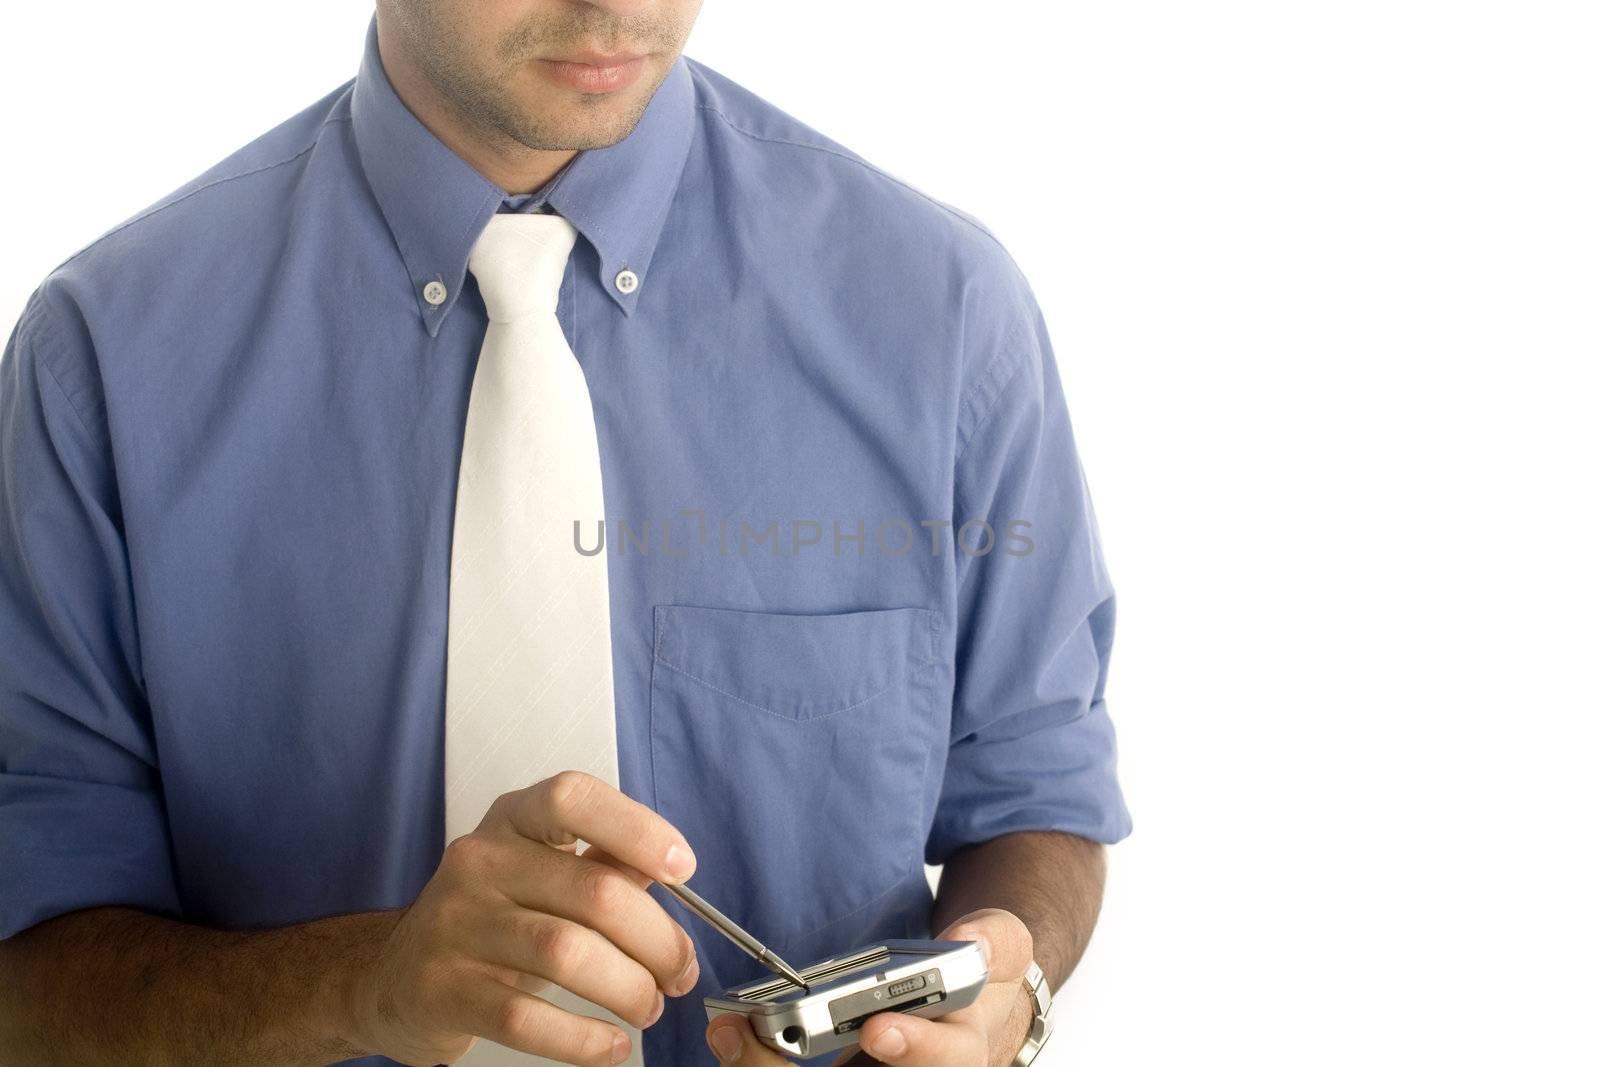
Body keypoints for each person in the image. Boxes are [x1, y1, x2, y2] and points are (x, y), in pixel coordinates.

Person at [0, 3, 1131, 1065]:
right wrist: (363, 981)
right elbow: (31, 977)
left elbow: (1037, 799)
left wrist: (999, 983)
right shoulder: (104, 361)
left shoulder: (940, 313)